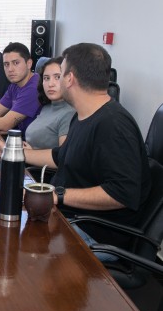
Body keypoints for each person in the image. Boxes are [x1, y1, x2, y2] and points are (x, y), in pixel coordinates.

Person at [24, 43, 151, 249]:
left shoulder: (113, 124)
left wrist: (58, 195)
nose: (55, 81)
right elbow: (60, 156)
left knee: (21, 250)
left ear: (70, 79)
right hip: (71, 218)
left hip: (93, 233)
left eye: (60, 74)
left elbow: (122, 192)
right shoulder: (82, 115)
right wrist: (16, 153)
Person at [0, 57, 75, 158]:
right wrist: (10, 149)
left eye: (57, 77)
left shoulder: (69, 113)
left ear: (69, 79)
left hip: (39, 171)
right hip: (25, 161)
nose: (50, 84)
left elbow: (62, 159)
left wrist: (16, 152)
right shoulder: (46, 108)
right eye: (46, 78)